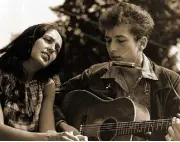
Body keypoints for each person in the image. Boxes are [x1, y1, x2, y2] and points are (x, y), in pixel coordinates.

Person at [55, 2, 180, 141]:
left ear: (142, 43)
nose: (112, 48)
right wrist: (64, 126)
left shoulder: (171, 81)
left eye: (121, 41)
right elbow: (52, 100)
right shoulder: (95, 74)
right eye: (108, 40)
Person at [0, 23, 87, 141]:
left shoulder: (47, 85)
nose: (52, 49)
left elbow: (48, 130)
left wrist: (65, 138)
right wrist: (50, 137)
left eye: (57, 49)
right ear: (31, 39)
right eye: (48, 40)